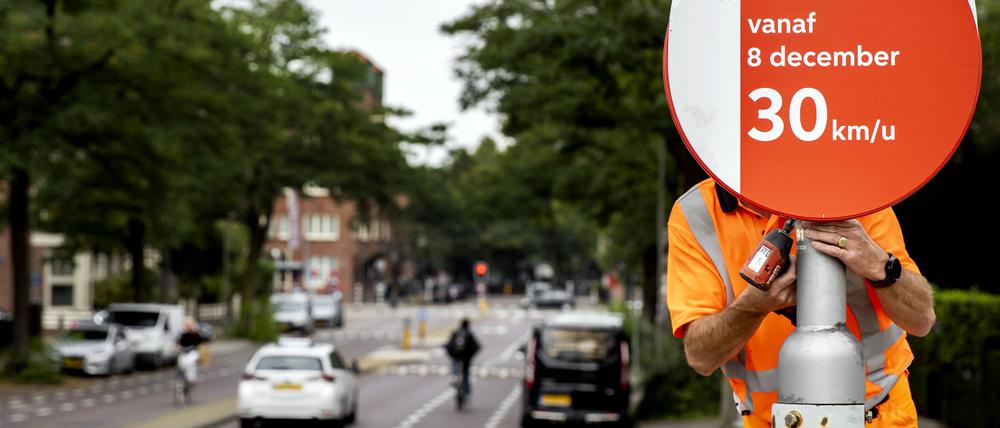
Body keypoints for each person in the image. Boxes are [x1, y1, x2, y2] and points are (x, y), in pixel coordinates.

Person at [667, 179, 935, 427]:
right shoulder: (696, 212)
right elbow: (700, 357)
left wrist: (879, 264)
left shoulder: (851, 188)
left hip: (878, 415)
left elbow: (922, 319)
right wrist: (752, 307)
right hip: (773, 421)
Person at [444, 318, 481, 397]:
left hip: (456, 356)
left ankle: (454, 377)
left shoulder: (455, 332)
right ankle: (467, 390)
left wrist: (449, 353)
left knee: (455, 366)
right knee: (466, 373)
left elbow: (449, 344)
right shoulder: (469, 333)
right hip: (466, 358)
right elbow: (476, 346)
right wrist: (471, 356)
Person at [177, 318, 207, 384]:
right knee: (181, 364)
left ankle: (191, 378)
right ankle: (183, 378)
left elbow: (202, 342)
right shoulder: (183, 334)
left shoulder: (195, 334)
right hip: (184, 352)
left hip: (192, 352)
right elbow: (179, 342)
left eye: (188, 325)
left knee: (190, 363)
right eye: (186, 325)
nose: (187, 326)